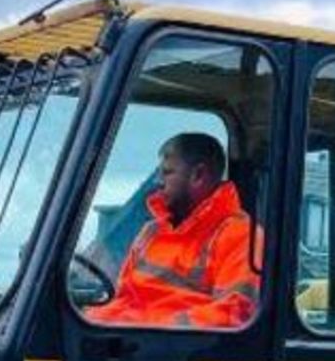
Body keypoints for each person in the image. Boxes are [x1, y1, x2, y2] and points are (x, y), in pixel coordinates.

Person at [85, 132, 260, 329]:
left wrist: (149, 330)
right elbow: (123, 298)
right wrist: (90, 319)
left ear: (198, 176)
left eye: (167, 172)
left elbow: (235, 314)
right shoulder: (152, 231)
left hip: (172, 351)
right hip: (126, 340)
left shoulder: (240, 235)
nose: (158, 181)